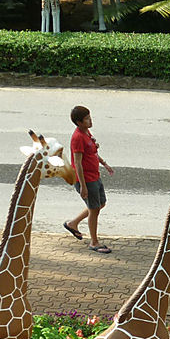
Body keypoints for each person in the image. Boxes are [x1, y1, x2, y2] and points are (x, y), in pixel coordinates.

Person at [63, 105, 115, 253]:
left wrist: (104, 163)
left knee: (100, 204)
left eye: (89, 117)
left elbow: (92, 152)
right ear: (79, 122)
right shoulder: (77, 138)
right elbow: (78, 163)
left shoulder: (86, 132)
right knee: (94, 210)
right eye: (86, 119)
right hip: (86, 179)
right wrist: (83, 186)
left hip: (95, 176)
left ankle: (73, 223)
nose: (90, 120)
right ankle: (94, 242)